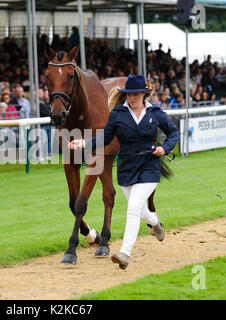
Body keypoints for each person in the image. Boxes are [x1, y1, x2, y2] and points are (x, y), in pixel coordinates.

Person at [68, 74, 179, 270]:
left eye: (136, 94)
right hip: (127, 169)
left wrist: (165, 148)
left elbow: (174, 133)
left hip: (149, 167)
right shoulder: (118, 113)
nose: (132, 98)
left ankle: (124, 253)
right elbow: (105, 138)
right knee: (140, 209)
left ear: (144, 94)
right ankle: (155, 222)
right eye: (129, 94)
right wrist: (83, 142)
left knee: (134, 207)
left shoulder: (155, 112)